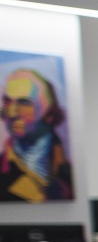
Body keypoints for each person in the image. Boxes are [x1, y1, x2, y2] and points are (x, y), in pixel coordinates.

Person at [1, 67, 74, 203]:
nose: (12, 112)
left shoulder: (70, 170)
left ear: (48, 113)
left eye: (24, 102)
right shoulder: (3, 168)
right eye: (7, 102)